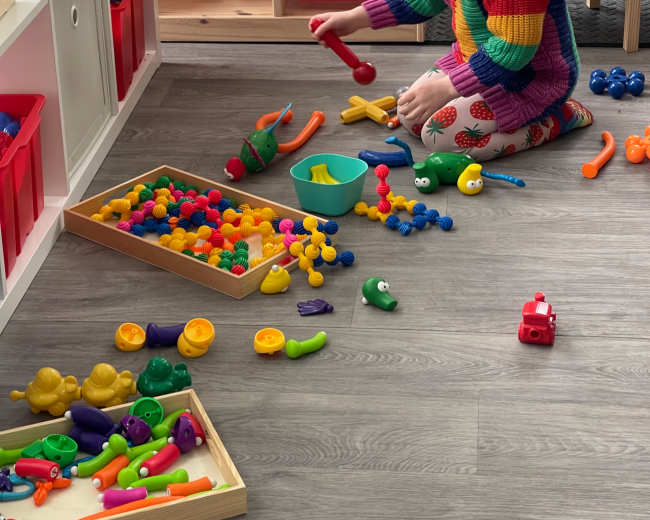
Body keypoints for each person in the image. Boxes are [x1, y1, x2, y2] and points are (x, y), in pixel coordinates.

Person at [310, 0, 592, 161]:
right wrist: (356, 18)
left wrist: (446, 88)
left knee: (441, 139)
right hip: (474, 63)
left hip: (530, 82)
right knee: (411, 117)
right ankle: (467, 99)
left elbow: (513, 48)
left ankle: (558, 119)